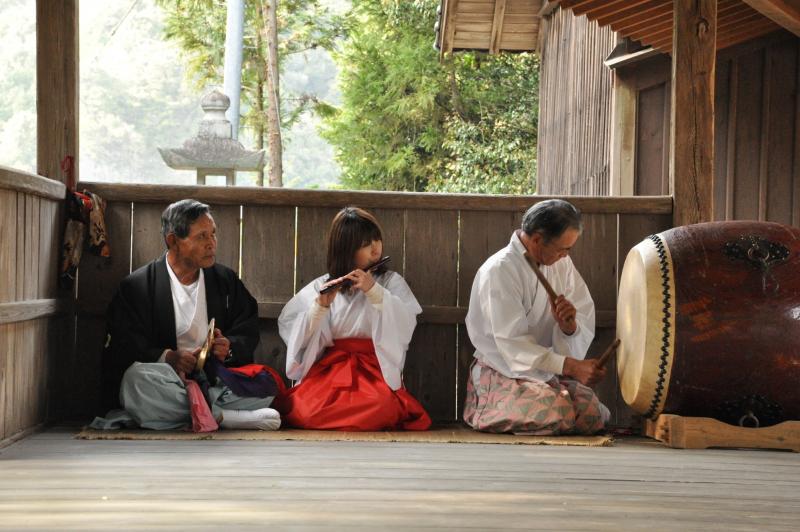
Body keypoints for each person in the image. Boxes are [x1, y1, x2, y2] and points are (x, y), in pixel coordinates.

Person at [92, 199, 282, 431]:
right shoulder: (137, 286)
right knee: (136, 380)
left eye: (213, 234)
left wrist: (228, 347)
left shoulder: (225, 280)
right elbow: (125, 344)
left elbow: (247, 326)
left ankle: (193, 414)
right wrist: (168, 357)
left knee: (268, 385)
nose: (212, 243)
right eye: (202, 236)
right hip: (166, 380)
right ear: (173, 241)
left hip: (214, 379)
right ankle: (222, 417)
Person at [276, 207, 431, 431]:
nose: (376, 247)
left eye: (377, 239)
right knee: (306, 410)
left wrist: (375, 291)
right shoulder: (323, 285)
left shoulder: (390, 281)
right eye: (366, 243)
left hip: (373, 368)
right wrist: (320, 307)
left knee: (381, 407)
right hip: (330, 369)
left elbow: (406, 320)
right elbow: (290, 324)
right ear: (346, 250)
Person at [463, 199, 609, 435]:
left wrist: (568, 327)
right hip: (503, 372)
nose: (565, 255)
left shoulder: (562, 264)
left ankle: (554, 404)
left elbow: (581, 314)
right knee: (557, 412)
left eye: (568, 249)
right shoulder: (500, 269)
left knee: (591, 413)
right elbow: (512, 344)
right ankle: (485, 409)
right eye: (562, 248)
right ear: (537, 239)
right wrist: (571, 366)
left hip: (545, 375)